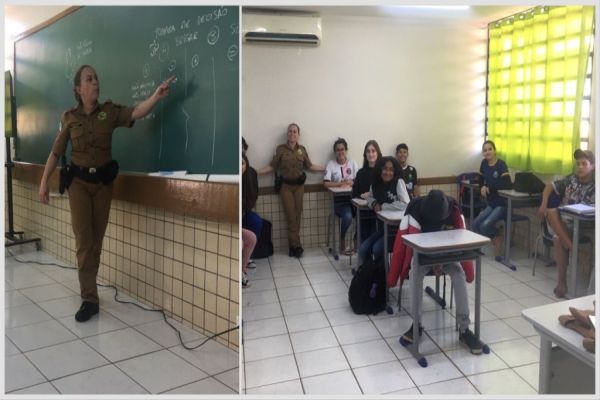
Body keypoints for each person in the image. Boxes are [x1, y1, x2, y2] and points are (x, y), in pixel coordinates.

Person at [39, 65, 175, 322]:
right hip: (78, 183)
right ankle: (89, 298)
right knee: (84, 240)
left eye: (96, 78)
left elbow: (136, 111)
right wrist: (44, 182)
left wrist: (156, 96)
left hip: (103, 184)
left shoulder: (110, 112)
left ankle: (90, 291)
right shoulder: (69, 117)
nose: (96, 82)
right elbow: (56, 152)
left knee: (97, 242)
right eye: (89, 79)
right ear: (79, 89)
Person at [388, 190, 484, 355]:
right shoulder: (416, 210)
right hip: (422, 256)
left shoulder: (453, 208)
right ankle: (416, 325)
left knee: (459, 273)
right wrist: (431, 263)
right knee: (415, 273)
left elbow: (458, 239)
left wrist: (440, 261)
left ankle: (464, 328)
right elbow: (407, 244)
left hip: (446, 255)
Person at [258, 123, 324, 258]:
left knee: (297, 216)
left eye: (295, 132)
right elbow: (272, 166)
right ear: (287, 134)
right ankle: (296, 246)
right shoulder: (280, 149)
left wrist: (325, 168)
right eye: (290, 131)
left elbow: (310, 166)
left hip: (299, 187)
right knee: (291, 217)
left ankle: (293, 247)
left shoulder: (302, 150)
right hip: (286, 188)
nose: (292, 134)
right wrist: (256, 172)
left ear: (298, 135)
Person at [538, 149, 595, 298]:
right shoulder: (572, 179)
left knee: (559, 239)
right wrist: (543, 203)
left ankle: (575, 281)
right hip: (568, 223)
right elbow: (549, 186)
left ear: (593, 166)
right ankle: (563, 280)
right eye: (578, 164)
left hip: (589, 225)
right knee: (551, 213)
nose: (580, 167)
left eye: (584, 164)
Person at [358, 156, 409, 262]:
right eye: (385, 169)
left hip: (398, 230)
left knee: (377, 249)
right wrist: (374, 203)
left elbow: (406, 204)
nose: (387, 172)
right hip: (384, 229)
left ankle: (385, 277)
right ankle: (374, 273)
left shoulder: (398, 182)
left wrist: (383, 206)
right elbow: (370, 197)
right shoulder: (375, 184)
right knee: (363, 250)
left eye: (391, 170)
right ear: (380, 169)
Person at [471, 140, 512, 259]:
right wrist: (482, 186)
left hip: (502, 204)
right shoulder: (484, 163)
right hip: (491, 204)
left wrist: (490, 187)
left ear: (494, 151)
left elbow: (507, 184)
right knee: (475, 225)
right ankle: (495, 238)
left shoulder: (501, 164)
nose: (487, 152)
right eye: (485, 150)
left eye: (490, 149)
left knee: (484, 226)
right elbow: (480, 179)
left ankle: (497, 237)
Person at [323, 138, 359, 255]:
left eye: (342, 149)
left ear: (346, 150)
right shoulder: (331, 164)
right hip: (339, 202)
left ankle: (356, 239)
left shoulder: (352, 163)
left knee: (366, 215)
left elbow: (359, 180)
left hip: (354, 200)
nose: (340, 152)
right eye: (338, 150)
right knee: (348, 217)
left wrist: (352, 183)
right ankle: (342, 239)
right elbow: (326, 183)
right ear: (335, 152)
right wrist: (340, 184)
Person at [352, 140, 382, 242]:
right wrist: (362, 195)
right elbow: (354, 193)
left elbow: (386, 191)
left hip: (378, 212)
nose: (371, 154)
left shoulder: (383, 172)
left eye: (373, 151)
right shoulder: (360, 173)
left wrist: (371, 194)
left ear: (378, 153)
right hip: (363, 212)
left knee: (374, 237)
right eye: (368, 151)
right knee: (363, 237)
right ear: (365, 154)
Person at [242, 152, 262, 274]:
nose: (240, 166)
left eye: (242, 163)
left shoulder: (250, 175)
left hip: (245, 212)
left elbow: (253, 198)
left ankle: (247, 257)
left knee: (255, 221)